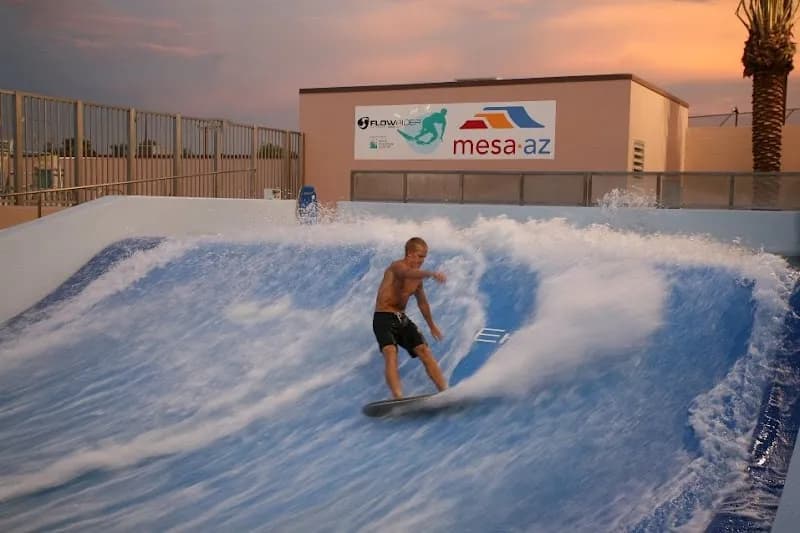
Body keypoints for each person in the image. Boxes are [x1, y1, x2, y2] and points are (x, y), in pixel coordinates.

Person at [373, 237, 449, 398]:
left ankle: (445, 391)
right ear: (410, 254)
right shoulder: (396, 267)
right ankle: (398, 397)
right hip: (383, 318)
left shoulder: (417, 279)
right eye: (420, 256)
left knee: (424, 350)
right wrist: (432, 274)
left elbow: (422, 303)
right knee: (390, 352)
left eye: (424, 257)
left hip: (402, 319)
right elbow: (406, 273)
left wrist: (432, 325)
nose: (423, 260)